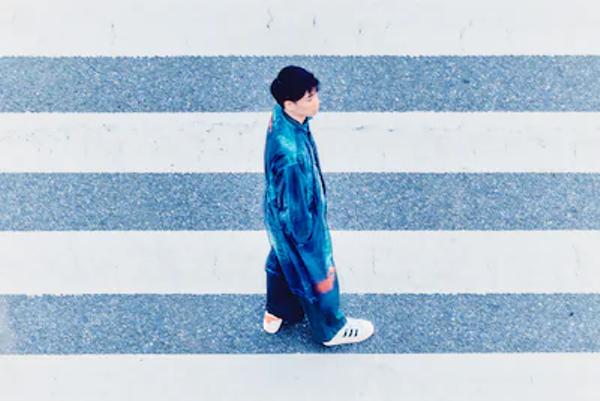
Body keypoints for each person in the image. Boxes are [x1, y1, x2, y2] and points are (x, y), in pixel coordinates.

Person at [262, 65, 374, 346]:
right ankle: (331, 329)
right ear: (290, 103)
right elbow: (297, 213)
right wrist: (309, 240)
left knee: (283, 256)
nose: (317, 102)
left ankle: (279, 310)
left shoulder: (282, 118)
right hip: (300, 222)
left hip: (277, 211)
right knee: (318, 273)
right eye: (309, 98)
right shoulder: (291, 156)